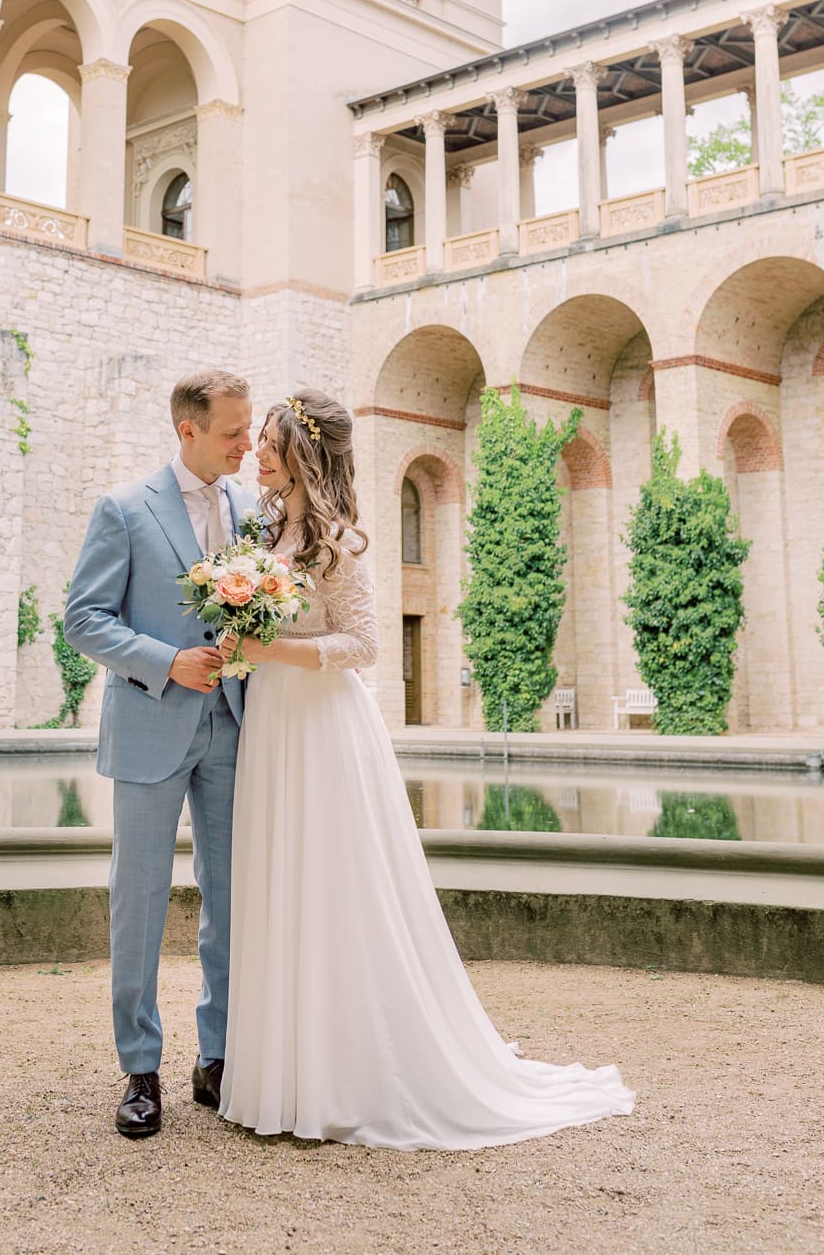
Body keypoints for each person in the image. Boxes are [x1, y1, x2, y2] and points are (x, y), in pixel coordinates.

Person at [218, 388, 635, 1150]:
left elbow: (366, 644)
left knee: (332, 888)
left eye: (274, 441)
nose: (261, 452)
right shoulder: (265, 525)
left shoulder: (337, 540)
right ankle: (280, 1076)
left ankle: (341, 1076)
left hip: (322, 726)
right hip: (272, 724)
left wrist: (267, 649)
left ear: (305, 451)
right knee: (279, 881)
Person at [64, 369, 253, 1139]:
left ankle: (218, 1055)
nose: (247, 444)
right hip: (150, 725)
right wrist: (163, 659)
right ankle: (140, 1068)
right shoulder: (124, 508)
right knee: (138, 903)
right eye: (234, 432)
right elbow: (83, 618)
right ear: (189, 430)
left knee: (233, 899)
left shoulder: (246, 509)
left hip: (234, 726)